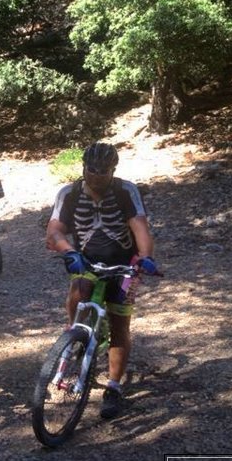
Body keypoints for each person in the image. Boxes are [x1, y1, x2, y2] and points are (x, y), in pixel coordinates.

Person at [45, 142, 160, 419]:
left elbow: (140, 228)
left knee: (120, 324)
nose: (96, 176)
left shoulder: (125, 191)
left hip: (124, 264)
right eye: (91, 169)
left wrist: (145, 257)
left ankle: (113, 387)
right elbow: (54, 232)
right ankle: (74, 333)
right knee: (79, 289)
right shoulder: (69, 193)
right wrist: (68, 251)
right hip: (87, 261)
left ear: (113, 170)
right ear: (83, 167)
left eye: (102, 171)